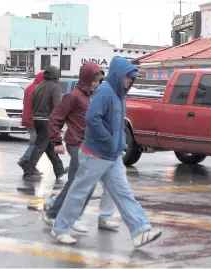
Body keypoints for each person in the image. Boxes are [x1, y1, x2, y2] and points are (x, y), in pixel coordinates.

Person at [51, 56, 162, 247]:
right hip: (95, 154)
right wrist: (111, 141)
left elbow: (116, 124)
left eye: (132, 78)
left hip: (111, 155)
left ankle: (140, 231)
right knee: (79, 191)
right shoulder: (105, 92)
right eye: (129, 78)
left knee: (124, 193)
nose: (130, 82)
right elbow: (93, 119)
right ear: (119, 75)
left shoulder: (118, 94)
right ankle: (60, 228)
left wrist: (118, 143)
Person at [42, 62, 119, 233]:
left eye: (99, 81)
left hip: (90, 145)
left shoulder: (93, 97)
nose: (97, 83)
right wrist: (56, 142)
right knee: (77, 183)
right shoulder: (73, 96)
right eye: (94, 80)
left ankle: (66, 213)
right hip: (76, 144)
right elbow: (55, 118)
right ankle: (54, 214)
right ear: (86, 79)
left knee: (82, 184)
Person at [21, 65, 67, 181]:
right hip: (47, 120)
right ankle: (29, 171)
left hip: (37, 120)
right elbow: (57, 107)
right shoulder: (55, 87)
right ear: (55, 75)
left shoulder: (38, 87)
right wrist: (59, 122)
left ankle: (59, 170)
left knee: (49, 146)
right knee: (40, 146)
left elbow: (33, 104)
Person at [18, 72, 44, 176]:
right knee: (35, 143)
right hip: (35, 119)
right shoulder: (39, 89)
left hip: (27, 118)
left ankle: (30, 165)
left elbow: (25, 103)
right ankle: (25, 160)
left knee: (36, 143)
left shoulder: (29, 87)